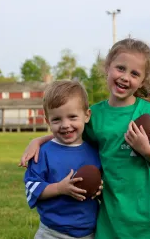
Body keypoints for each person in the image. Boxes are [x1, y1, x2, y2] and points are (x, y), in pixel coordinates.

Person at [20, 38, 150, 239]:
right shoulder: (94, 117)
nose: (125, 77)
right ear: (107, 67)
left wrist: (145, 149)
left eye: (134, 73)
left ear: (143, 80)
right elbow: (69, 131)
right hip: (114, 213)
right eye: (120, 68)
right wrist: (38, 141)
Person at [23, 80, 102, 239]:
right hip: (52, 232)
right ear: (47, 121)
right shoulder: (43, 153)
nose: (65, 125)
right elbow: (32, 188)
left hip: (88, 232)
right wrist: (59, 188)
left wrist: (99, 189)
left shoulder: (94, 152)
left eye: (72, 117)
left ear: (87, 115)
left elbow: (100, 183)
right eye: (57, 120)